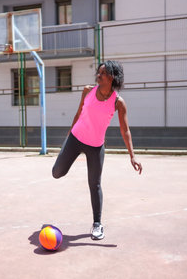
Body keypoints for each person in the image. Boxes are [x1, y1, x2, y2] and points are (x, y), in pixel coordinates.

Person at [52, 60, 143, 240]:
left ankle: (97, 224)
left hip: (95, 146)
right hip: (75, 139)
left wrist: (132, 156)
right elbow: (78, 113)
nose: (98, 76)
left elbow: (125, 130)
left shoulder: (118, 102)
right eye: (98, 73)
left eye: (102, 73)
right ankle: (64, 155)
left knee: (95, 184)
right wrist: (68, 137)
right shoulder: (88, 91)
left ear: (112, 77)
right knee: (56, 172)